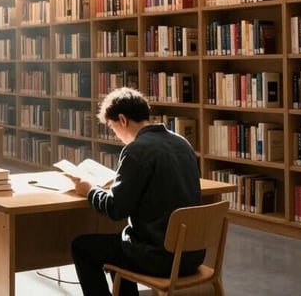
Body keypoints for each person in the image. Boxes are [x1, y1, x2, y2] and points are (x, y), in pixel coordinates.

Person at [70, 87, 203, 296]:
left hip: (159, 257)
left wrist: (89, 190)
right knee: (121, 245)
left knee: (82, 247)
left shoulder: (136, 150)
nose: (115, 134)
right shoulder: (182, 143)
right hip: (192, 254)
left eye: (112, 127)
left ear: (122, 120)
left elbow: (115, 209)